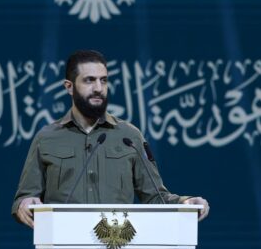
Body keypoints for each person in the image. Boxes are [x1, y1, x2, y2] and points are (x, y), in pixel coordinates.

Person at [11, 49, 210, 228]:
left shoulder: (129, 136)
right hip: (62, 247)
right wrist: (25, 204)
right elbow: (26, 197)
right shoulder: (46, 138)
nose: (99, 88)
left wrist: (185, 202)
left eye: (104, 80)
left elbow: (155, 197)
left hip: (117, 245)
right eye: (89, 80)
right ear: (69, 87)